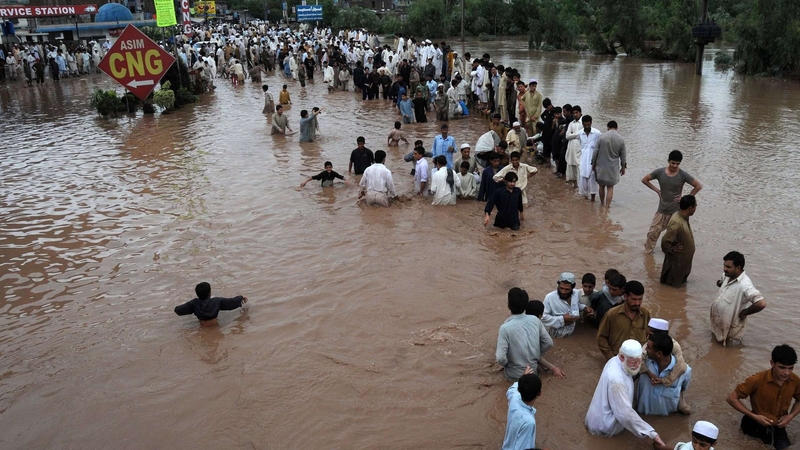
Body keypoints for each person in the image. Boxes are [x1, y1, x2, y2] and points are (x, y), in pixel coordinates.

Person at [585, 339, 667, 446]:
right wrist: (651, 433)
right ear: (622, 357)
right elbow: (625, 414)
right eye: (633, 362)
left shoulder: (614, 361)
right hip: (605, 428)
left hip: (596, 418)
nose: (637, 365)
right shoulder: (616, 380)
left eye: (639, 361)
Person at [727, 344, 800, 450]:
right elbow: (731, 398)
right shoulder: (757, 380)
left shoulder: (795, 381)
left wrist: (790, 416)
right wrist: (754, 416)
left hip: (778, 426)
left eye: (790, 368)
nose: (786, 373)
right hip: (753, 423)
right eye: (782, 368)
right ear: (772, 363)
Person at [642, 150, 703, 253]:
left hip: (677, 211)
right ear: (668, 161)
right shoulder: (659, 172)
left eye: (677, 164)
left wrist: (685, 197)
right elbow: (645, 180)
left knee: (677, 236)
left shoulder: (683, 175)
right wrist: (657, 191)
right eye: (673, 163)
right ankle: (648, 255)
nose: (675, 166)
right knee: (652, 233)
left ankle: (671, 253)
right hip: (662, 209)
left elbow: (698, 186)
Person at [495, 287, 554, 381]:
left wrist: (508, 363)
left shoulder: (505, 328)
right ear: (526, 305)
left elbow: (500, 358)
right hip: (533, 372)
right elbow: (549, 343)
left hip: (513, 376)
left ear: (509, 305)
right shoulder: (535, 320)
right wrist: (535, 353)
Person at [710, 251, 767, 345]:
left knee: (729, 354)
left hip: (731, 332)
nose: (724, 269)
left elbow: (761, 303)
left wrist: (744, 313)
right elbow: (722, 282)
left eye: (728, 267)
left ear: (738, 268)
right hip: (718, 325)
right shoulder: (727, 276)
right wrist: (720, 283)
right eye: (724, 265)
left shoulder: (745, 284)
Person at [641, 318, 692, 415]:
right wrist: (651, 375)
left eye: (650, 334)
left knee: (684, 409)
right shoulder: (646, 349)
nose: (647, 334)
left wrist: (665, 380)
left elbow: (681, 366)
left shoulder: (674, 345)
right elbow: (640, 363)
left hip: (671, 380)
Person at [597, 280, 652, 360]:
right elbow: (601, 338)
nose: (637, 303)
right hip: (617, 358)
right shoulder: (612, 314)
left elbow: (649, 335)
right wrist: (612, 358)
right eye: (634, 299)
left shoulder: (645, 313)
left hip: (638, 360)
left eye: (640, 299)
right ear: (625, 296)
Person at [660, 195, 697, 287]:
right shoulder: (677, 222)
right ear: (690, 208)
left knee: (680, 285)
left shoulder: (683, 216)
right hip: (676, 263)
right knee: (671, 287)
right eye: (695, 206)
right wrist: (672, 249)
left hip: (683, 262)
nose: (696, 208)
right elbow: (665, 241)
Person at [541, 272, 592, 338]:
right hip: (556, 334)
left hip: (573, 331)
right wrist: (562, 319)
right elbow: (543, 318)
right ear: (558, 285)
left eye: (567, 289)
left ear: (573, 287)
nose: (563, 292)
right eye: (561, 288)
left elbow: (575, 305)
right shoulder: (549, 298)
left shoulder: (576, 293)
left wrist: (584, 307)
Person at [502, 369, 543, 450]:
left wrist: (523, 378)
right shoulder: (529, 422)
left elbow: (512, 390)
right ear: (539, 393)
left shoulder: (514, 399)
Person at [174, 282, 248, 327]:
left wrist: (176, 308)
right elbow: (231, 302)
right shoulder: (216, 301)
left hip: (202, 328)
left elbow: (178, 310)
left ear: (197, 294)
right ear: (209, 293)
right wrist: (240, 297)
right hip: (215, 327)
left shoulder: (194, 303)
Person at [525, 301, 566, 379]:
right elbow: (548, 343)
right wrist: (553, 367)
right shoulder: (538, 326)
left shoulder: (514, 325)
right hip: (530, 371)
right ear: (541, 315)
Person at [592, 121, 626, 208]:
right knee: (610, 187)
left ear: (607, 127)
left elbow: (595, 152)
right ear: (617, 128)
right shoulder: (621, 139)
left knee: (601, 186)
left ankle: (602, 203)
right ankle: (607, 207)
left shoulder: (601, 137)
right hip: (613, 167)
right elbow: (623, 156)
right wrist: (623, 167)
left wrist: (593, 164)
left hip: (601, 166)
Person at [577, 115, 601, 201]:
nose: (587, 126)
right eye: (585, 124)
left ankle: (593, 199)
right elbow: (581, 145)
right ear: (582, 124)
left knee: (592, 178)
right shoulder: (580, 133)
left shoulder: (597, 133)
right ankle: (585, 198)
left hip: (593, 159)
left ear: (591, 123)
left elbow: (600, 147)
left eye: (588, 124)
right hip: (583, 159)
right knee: (583, 177)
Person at [564, 106, 583, 188]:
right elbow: (567, 136)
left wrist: (573, 135)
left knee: (580, 166)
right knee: (571, 165)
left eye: (576, 113)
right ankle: (575, 185)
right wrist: (577, 135)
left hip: (580, 147)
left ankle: (582, 186)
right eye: (573, 113)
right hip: (571, 147)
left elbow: (583, 135)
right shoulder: (571, 124)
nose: (575, 114)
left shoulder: (583, 123)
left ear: (580, 113)